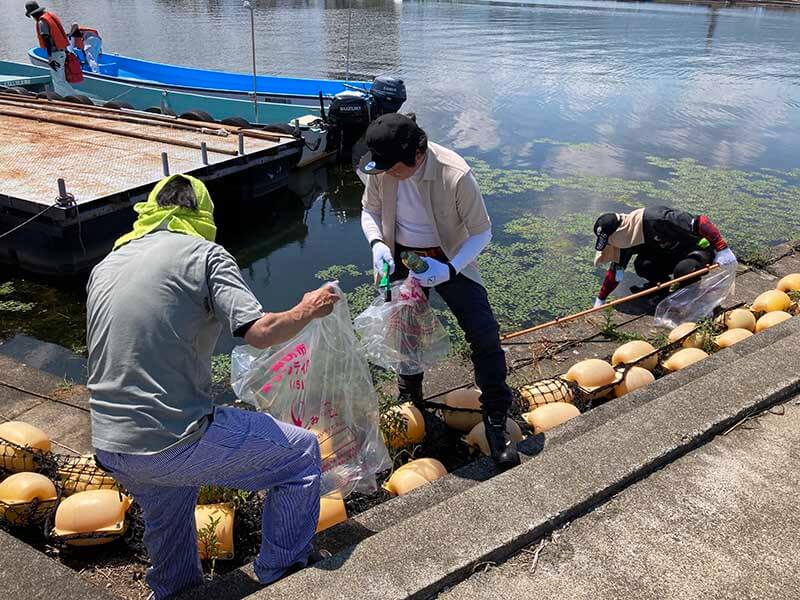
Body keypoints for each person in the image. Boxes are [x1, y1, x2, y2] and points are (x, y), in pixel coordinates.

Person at [86, 174, 339, 600]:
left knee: (170, 502)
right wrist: (307, 309)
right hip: (171, 440)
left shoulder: (106, 264)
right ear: (202, 213)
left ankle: (175, 590)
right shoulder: (205, 255)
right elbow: (258, 332)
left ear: (150, 210)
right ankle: (283, 572)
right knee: (300, 454)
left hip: (111, 443)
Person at [358, 113, 520, 470]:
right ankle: (410, 395)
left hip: (449, 254)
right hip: (400, 254)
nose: (386, 173)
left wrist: (448, 268)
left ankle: (495, 416)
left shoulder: (454, 174)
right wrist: (377, 245)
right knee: (405, 330)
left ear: (416, 155)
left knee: (484, 333)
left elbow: (482, 232)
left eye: (392, 166)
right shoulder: (383, 170)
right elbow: (369, 210)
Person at [592, 205, 737, 307]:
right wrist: (601, 299)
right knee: (643, 265)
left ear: (617, 232)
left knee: (684, 270)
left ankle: (689, 295)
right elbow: (616, 272)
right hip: (669, 255)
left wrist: (722, 248)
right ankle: (660, 289)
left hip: (696, 250)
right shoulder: (625, 241)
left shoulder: (657, 219)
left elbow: (701, 221)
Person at [25, 1, 75, 97]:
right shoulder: (49, 16)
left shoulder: (41, 22)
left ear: (32, 14)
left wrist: (50, 58)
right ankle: (61, 98)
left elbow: (47, 39)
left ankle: (75, 99)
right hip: (61, 52)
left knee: (59, 80)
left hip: (55, 54)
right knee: (59, 79)